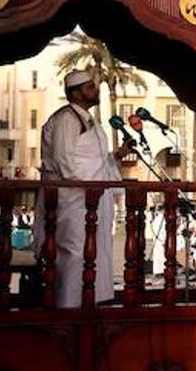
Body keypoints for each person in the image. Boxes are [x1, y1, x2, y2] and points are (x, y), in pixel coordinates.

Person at [35, 70, 132, 307]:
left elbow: (92, 160)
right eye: (89, 87)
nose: (95, 91)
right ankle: (67, 308)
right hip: (74, 199)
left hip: (92, 199)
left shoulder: (90, 121)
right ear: (75, 93)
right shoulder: (66, 120)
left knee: (94, 252)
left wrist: (117, 156)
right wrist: (85, 187)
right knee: (74, 253)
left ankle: (90, 303)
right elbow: (63, 160)